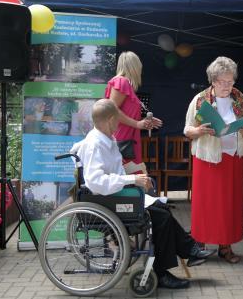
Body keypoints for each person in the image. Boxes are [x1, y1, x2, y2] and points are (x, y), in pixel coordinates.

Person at [71, 99, 214, 289]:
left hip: (116, 195)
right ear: (110, 120)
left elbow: (114, 173)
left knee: (162, 208)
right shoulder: (94, 145)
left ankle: (189, 251)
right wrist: (131, 181)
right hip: (107, 200)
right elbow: (96, 182)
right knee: (161, 216)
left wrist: (135, 179)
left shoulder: (106, 139)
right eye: (117, 119)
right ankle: (167, 269)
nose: (120, 122)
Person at [184, 56, 243, 263]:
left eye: (231, 81)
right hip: (207, 160)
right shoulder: (200, 100)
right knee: (205, 205)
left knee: (229, 205)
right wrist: (198, 130)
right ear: (213, 81)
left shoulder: (240, 99)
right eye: (223, 82)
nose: (228, 86)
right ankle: (199, 247)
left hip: (233, 159)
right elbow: (187, 130)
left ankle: (226, 246)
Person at [105, 51, 162, 170]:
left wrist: (143, 121)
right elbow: (112, 109)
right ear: (134, 66)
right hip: (123, 140)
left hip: (127, 139)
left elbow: (123, 112)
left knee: (134, 178)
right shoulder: (122, 82)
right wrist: (137, 124)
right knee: (135, 178)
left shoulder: (123, 83)